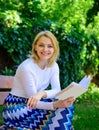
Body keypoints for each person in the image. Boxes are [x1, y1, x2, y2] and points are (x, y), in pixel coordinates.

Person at [2, 31, 75, 130]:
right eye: (41, 45)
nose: (45, 49)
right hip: (17, 106)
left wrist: (42, 94)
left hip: (35, 102)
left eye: (50, 46)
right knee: (58, 111)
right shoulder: (27, 67)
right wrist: (55, 104)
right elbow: (33, 102)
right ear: (35, 47)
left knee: (66, 107)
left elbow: (57, 90)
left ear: (55, 49)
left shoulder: (53, 66)